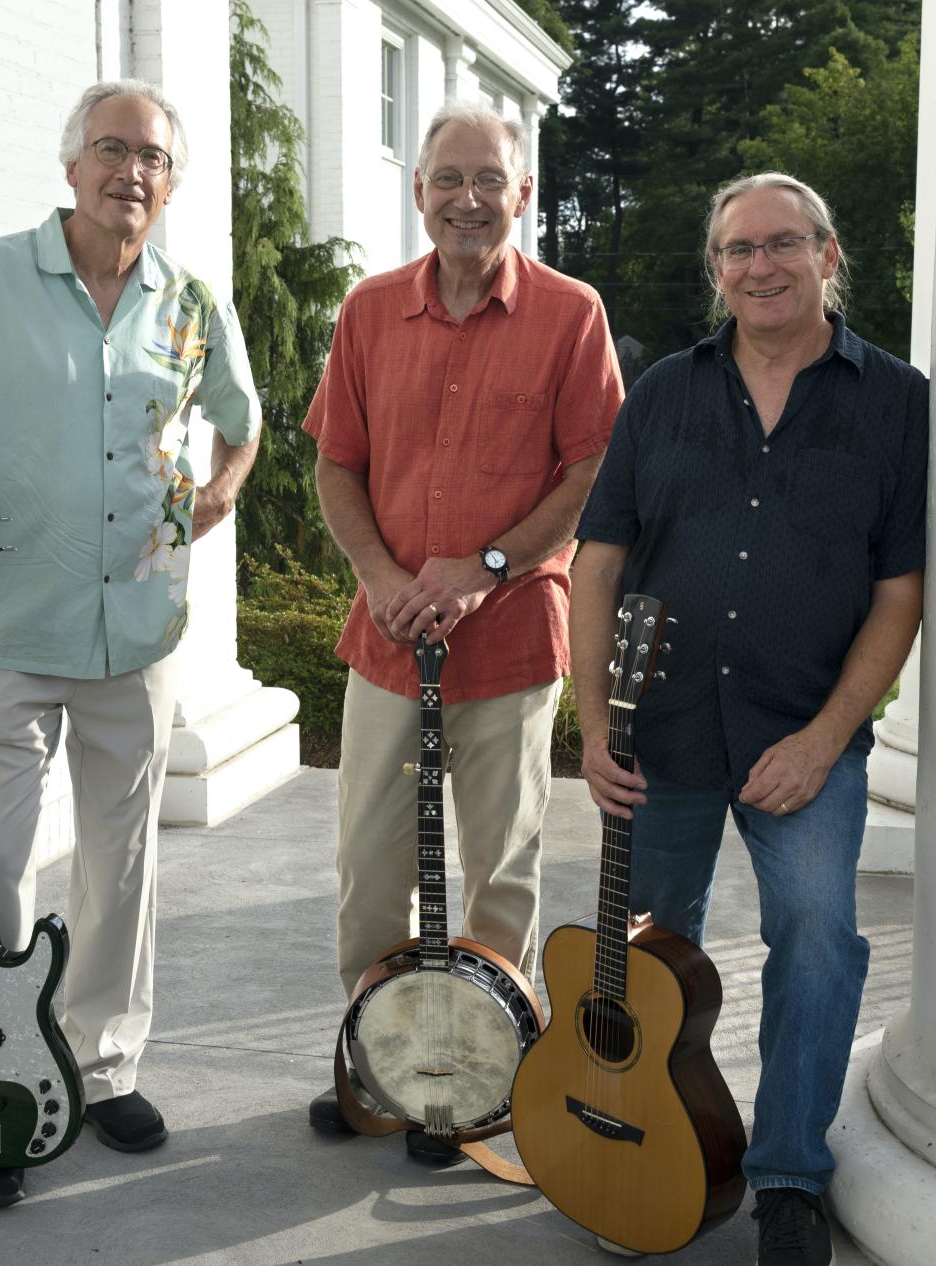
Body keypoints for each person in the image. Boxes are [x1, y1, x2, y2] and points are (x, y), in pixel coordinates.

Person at [0, 79, 261, 1205]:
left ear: (170, 181)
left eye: (152, 157)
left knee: (123, 861)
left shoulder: (191, 301)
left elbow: (239, 423)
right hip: (4, 633)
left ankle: (102, 1069)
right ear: (70, 165)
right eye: (111, 149)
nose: (129, 172)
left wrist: (219, 494)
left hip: (138, 636)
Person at [570, 171, 927, 1264]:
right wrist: (591, 724)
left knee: (819, 941)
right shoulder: (666, 391)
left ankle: (785, 1177)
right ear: (716, 270)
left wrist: (825, 738)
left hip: (802, 738)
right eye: (738, 250)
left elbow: (901, 590)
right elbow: (598, 562)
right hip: (659, 733)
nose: (760, 266)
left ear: (828, 254)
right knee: (640, 958)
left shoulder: (899, 401)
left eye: (783, 244)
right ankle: (639, 1142)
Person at [303, 102, 624, 1159]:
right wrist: (384, 576)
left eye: (491, 179)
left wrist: (488, 567)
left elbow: (592, 473)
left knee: (499, 873)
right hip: (389, 641)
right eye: (450, 178)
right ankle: (376, 1059)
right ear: (420, 191)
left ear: (522, 194)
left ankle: (473, 1073)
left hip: (514, 642)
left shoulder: (572, 316)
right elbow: (335, 463)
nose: (469, 198)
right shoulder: (367, 311)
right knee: (370, 871)